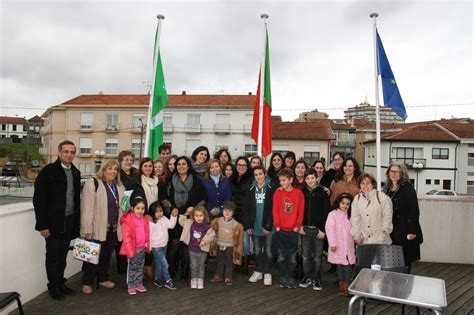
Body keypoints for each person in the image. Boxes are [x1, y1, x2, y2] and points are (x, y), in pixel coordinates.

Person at [34, 140, 81, 300]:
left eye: (72, 152)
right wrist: (42, 225)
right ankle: (53, 287)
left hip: (68, 221)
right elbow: (39, 200)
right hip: (52, 223)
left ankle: (60, 283)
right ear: (59, 153)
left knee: (62, 255)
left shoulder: (75, 172)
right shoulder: (48, 171)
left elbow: (76, 199)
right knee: (53, 255)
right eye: (66, 151)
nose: (69, 154)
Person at [80, 159, 126, 295]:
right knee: (92, 257)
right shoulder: (93, 183)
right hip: (96, 227)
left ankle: (103, 279)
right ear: (104, 170)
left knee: (106, 256)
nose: (113, 171)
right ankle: (87, 282)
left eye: (115, 169)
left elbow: (123, 207)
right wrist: (88, 229)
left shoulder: (119, 186)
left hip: (112, 228)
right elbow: (86, 208)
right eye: (109, 168)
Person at [167, 156, 207, 280]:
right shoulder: (170, 180)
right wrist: (171, 207)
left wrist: (193, 209)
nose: (181, 166)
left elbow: (203, 198)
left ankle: (185, 271)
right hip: (174, 217)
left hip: (189, 218)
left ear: (188, 166)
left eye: (184, 164)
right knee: (174, 245)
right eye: (178, 164)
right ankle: (171, 271)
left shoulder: (196, 180)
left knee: (186, 245)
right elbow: (164, 197)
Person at [383, 162, 423, 273]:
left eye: (397, 171)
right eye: (392, 171)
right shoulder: (386, 189)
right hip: (392, 229)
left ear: (402, 173)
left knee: (404, 261)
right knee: (392, 261)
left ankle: (404, 287)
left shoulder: (407, 188)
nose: (394, 174)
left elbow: (414, 211)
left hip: (405, 230)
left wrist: (412, 231)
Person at [273, 168, 305, 289]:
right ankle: (283, 277)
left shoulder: (298, 193)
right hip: (281, 229)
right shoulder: (278, 193)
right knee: (281, 256)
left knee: (292, 257)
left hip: (293, 230)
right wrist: (277, 225)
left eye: (284, 180)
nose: (282, 183)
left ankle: (290, 277)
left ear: (291, 180)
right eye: (280, 180)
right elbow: (275, 210)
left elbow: (300, 211)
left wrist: (297, 225)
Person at [299, 168, 330, 291]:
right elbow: (299, 210)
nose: (310, 180)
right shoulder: (302, 192)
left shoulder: (322, 192)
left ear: (317, 178)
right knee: (306, 255)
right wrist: (300, 225)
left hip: (318, 230)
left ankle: (317, 278)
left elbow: (326, 212)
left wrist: (323, 229)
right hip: (305, 229)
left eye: (312, 178)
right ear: (304, 179)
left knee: (317, 256)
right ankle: (307, 276)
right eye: (307, 178)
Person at [244, 166, 275, 286]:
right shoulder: (251, 189)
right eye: (256, 175)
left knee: (268, 251)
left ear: (265, 174)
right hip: (255, 227)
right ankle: (258, 271)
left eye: (260, 174)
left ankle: (267, 272)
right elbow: (246, 209)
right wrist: (248, 226)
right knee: (257, 251)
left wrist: (268, 226)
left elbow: (273, 209)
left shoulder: (271, 188)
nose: (258, 177)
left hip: (268, 227)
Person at [325, 193, 356, 296]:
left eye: (347, 204)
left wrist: (357, 238)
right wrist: (332, 243)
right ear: (338, 203)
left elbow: (355, 229)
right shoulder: (333, 214)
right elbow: (330, 230)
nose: (345, 206)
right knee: (340, 267)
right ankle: (342, 287)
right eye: (343, 203)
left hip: (348, 246)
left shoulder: (351, 215)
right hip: (337, 246)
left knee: (348, 267)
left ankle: (348, 287)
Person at [179, 206, 216, 289]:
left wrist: (204, 240)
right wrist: (186, 213)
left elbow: (212, 234)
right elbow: (181, 221)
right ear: (193, 216)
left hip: (202, 250)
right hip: (192, 249)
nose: (198, 218)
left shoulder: (207, 226)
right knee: (193, 265)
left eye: (200, 216)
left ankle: (200, 280)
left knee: (201, 265)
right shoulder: (190, 223)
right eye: (196, 216)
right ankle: (194, 279)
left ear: (205, 216)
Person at [351, 173, 393, 245]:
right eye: (362, 183)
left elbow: (388, 216)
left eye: (368, 183)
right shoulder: (357, 199)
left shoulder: (382, 197)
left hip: (381, 240)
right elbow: (355, 219)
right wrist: (357, 236)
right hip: (364, 240)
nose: (365, 186)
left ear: (373, 184)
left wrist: (383, 233)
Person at [120, 197, 150, 295]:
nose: (140, 211)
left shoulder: (144, 220)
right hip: (132, 249)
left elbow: (147, 233)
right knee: (132, 267)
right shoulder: (128, 220)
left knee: (140, 266)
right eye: (138, 208)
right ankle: (131, 285)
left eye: (142, 208)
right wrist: (130, 251)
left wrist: (147, 245)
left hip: (141, 247)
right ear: (132, 208)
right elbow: (126, 237)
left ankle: (138, 283)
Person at [210, 201, 243, 286]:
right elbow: (211, 230)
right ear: (222, 211)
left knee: (229, 262)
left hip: (229, 246)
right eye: (225, 210)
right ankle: (218, 275)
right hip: (219, 244)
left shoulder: (236, 224)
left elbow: (238, 238)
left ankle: (228, 277)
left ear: (233, 213)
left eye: (230, 211)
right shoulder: (217, 221)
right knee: (219, 261)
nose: (227, 212)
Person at [230, 156, 254, 274]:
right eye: (239, 165)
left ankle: (245, 264)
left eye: (243, 165)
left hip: (245, 213)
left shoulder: (251, 179)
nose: (241, 167)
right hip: (233, 214)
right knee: (235, 240)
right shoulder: (232, 178)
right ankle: (237, 263)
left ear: (247, 166)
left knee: (245, 241)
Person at [148, 201, 178, 290]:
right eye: (156, 212)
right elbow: (148, 235)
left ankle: (157, 279)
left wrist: (173, 216)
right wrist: (149, 246)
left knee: (159, 263)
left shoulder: (164, 218)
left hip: (164, 245)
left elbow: (171, 225)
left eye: (160, 211)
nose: (159, 213)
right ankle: (168, 281)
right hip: (156, 247)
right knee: (164, 264)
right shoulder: (151, 222)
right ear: (152, 212)